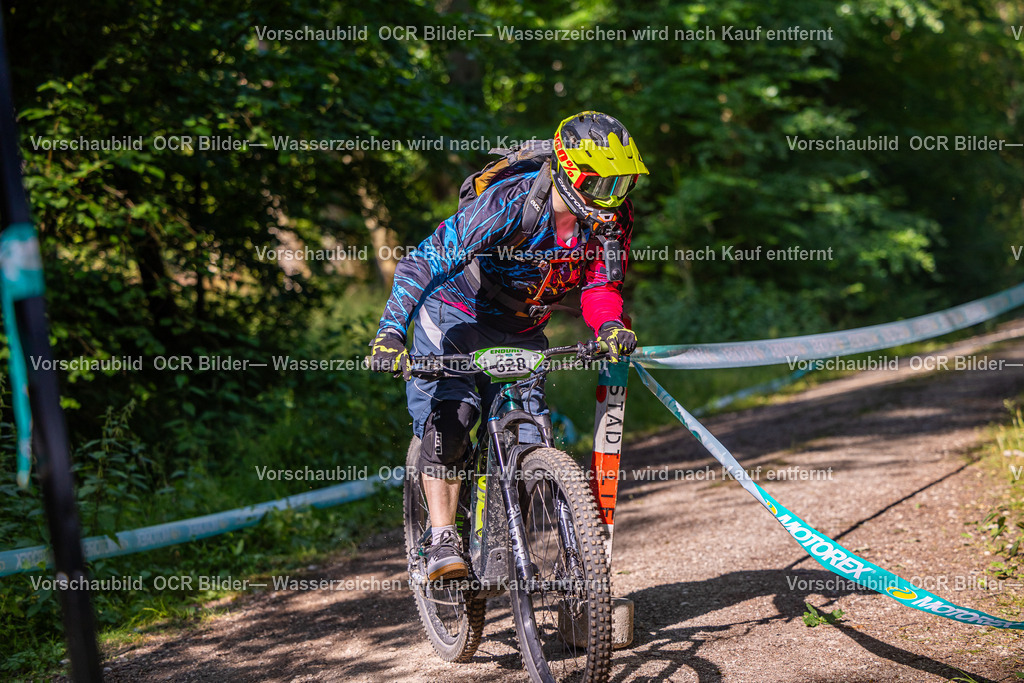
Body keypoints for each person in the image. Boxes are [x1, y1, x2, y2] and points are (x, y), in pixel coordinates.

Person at [370, 111, 648, 581]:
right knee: (453, 421)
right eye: (602, 185)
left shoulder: (610, 221)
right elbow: (423, 261)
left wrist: (609, 327)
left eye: (623, 184)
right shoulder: (509, 204)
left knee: (529, 439)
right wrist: (391, 332)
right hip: (457, 314)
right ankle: (439, 539)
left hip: (522, 327)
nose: (613, 198)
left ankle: (509, 543)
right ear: (568, 172)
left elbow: (600, 287)